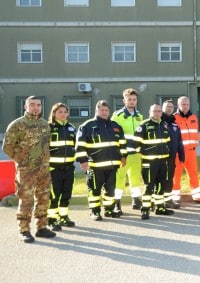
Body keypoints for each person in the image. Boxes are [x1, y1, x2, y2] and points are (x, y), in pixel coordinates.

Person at [2, 96, 56, 243]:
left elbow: (47, 144)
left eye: (38, 105)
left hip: (43, 168)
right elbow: (7, 147)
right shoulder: (17, 124)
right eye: (32, 105)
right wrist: (22, 160)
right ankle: (24, 229)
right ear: (25, 107)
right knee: (26, 199)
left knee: (44, 197)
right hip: (26, 169)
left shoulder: (45, 124)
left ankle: (42, 227)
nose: (35, 108)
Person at [75, 100, 127, 221]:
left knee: (110, 189)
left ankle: (109, 210)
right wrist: (83, 160)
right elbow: (80, 145)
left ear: (109, 112)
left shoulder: (115, 126)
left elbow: (122, 143)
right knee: (94, 190)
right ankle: (95, 211)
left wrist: (124, 156)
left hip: (112, 165)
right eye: (101, 110)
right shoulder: (87, 126)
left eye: (106, 110)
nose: (104, 113)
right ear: (96, 111)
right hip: (95, 165)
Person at [134, 104, 173, 220]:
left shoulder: (164, 125)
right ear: (150, 112)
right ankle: (145, 209)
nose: (157, 113)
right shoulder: (144, 125)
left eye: (159, 111)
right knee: (149, 186)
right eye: (155, 111)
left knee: (161, 185)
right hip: (149, 162)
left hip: (162, 161)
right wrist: (146, 152)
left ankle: (160, 207)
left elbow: (167, 142)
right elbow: (136, 144)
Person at [111, 88, 144, 215]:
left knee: (135, 178)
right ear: (124, 100)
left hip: (136, 154)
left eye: (134, 99)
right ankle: (117, 203)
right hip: (123, 154)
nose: (132, 101)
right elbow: (115, 136)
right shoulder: (117, 116)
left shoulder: (139, 116)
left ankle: (136, 200)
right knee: (119, 179)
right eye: (129, 99)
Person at [172, 96, 200, 204]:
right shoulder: (174, 118)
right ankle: (175, 198)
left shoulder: (193, 117)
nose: (185, 106)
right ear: (178, 105)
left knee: (193, 174)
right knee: (176, 175)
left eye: (187, 104)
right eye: (183, 104)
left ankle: (197, 197)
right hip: (179, 153)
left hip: (191, 152)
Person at [47, 103, 77, 231]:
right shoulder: (48, 128)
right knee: (54, 196)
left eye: (65, 112)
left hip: (68, 168)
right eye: (60, 112)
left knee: (66, 194)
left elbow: (76, 146)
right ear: (54, 113)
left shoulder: (71, 128)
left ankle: (64, 217)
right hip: (54, 169)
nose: (63, 114)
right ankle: (52, 220)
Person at [162, 100, 185, 209]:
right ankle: (156, 201)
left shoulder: (174, 123)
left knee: (169, 179)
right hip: (160, 157)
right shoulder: (159, 121)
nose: (169, 109)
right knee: (158, 179)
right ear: (163, 108)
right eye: (167, 107)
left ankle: (168, 200)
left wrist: (181, 154)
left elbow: (179, 140)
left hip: (171, 157)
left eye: (171, 107)